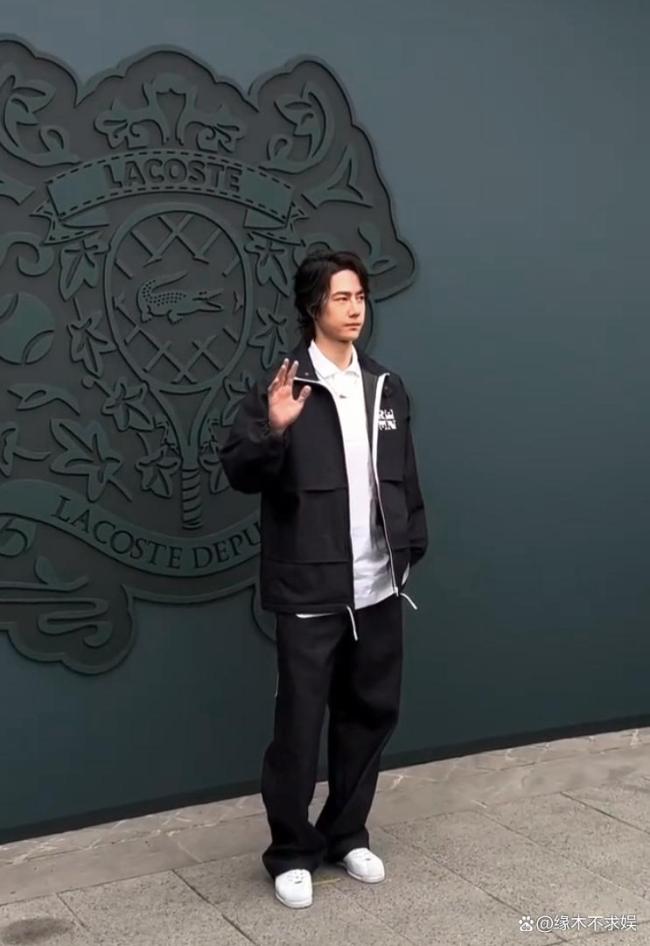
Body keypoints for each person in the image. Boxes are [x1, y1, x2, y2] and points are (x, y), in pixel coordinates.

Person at [220, 250, 427, 908]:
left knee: (370, 715)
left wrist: (410, 548)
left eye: (360, 295)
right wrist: (273, 431)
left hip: (380, 587)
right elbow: (241, 471)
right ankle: (290, 850)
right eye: (342, 297)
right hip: (310, 591)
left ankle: (346, 833)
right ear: (313, 305)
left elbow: (404, 478)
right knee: (299, 726)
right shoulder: (285, 386)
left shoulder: (385, 385)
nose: (355, 308)